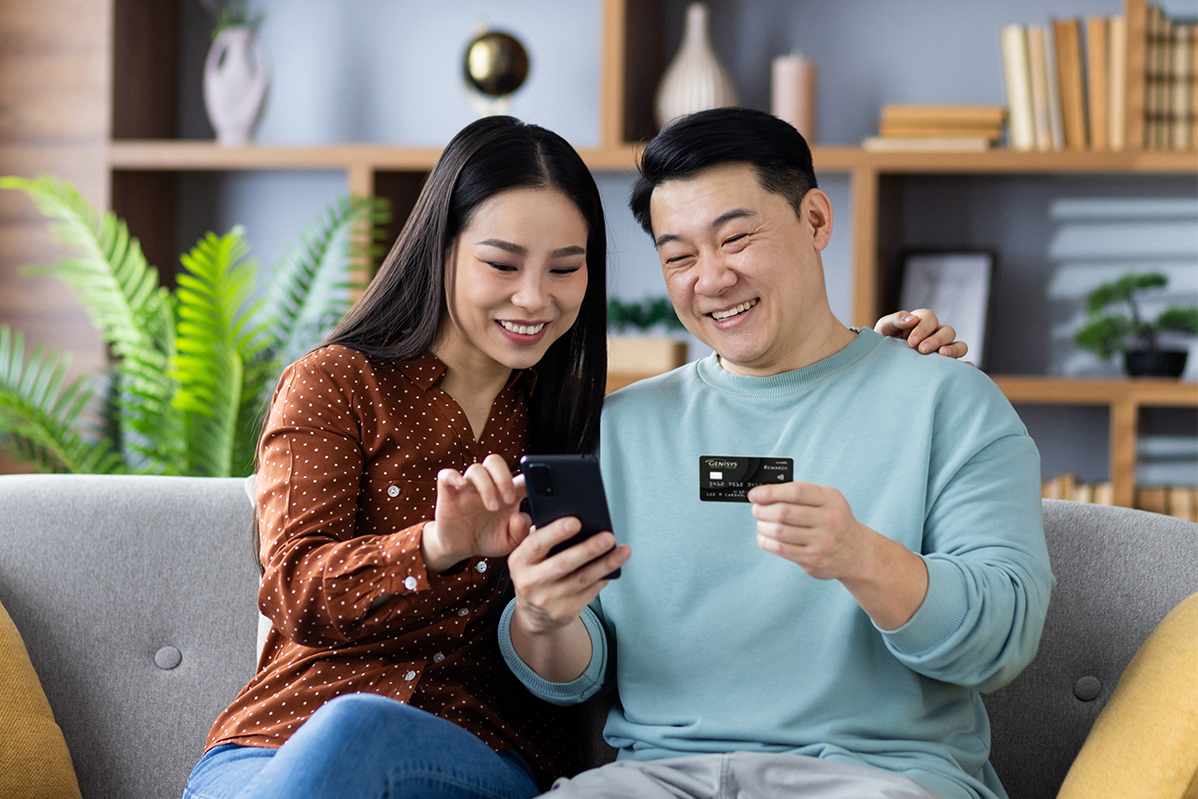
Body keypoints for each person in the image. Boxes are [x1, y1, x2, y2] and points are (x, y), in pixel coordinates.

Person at [182, 113, 965, 799]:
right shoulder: (338, 383)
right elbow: (291, 588)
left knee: (360, 734)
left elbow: (760, 385)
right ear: (440, 248)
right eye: (501, 263)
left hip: (473, 751)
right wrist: (437, 545)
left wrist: (878, 358)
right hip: (279, 742)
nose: (535, 298)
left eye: (565, 269)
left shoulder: (580, 418)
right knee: (344, 733)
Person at [500, 108, 1055, 799]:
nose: (711, 278)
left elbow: (1000, 639)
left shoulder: (948, 403)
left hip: (873, 779)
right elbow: (576, 670)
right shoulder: (619, 429)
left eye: (735, 238)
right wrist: (542, 617)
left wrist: (862, 556)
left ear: (816, 221)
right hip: (656, 779)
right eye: (679, 257)